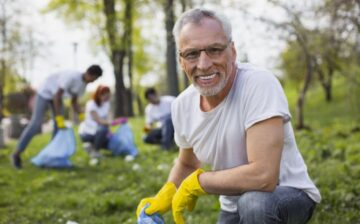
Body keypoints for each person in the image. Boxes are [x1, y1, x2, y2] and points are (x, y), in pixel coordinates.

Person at [136, 8, 321, 224]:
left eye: (214, 50)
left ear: (232, 51)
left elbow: (264, 177)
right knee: (245, 204)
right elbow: (187, 164)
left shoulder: (258, 84)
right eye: (192, 54)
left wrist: (199, 182)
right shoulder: (181, 106)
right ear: (181, 61)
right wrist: (166, 193)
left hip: (289, 195)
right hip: (233, 206)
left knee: (253, 203)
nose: (204, 64)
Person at [11, 65, 103, 169]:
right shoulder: (72, 76)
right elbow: (57, 96)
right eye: (94, 78)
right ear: (89, 73)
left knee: (58, 128)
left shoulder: (83, 85)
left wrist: (82, 115)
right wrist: (59, 118)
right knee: (35, 124)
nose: (93, 81)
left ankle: (50, 158)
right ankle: (16, 155)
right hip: (44, 93)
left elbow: (74, 102)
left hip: (56, 97)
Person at [78, 85, 112, 159]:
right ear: (99, 95)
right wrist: (112, 123)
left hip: (98, 132)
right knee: (103, 129)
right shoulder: (91, 104)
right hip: (87, 132)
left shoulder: (106, 104)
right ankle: (95, 152)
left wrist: (110, 127)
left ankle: (90, 146)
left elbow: (109, 118)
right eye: (105, 95)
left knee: (111, 141)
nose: (107, 97)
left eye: (108, 95)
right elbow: (99, 120)